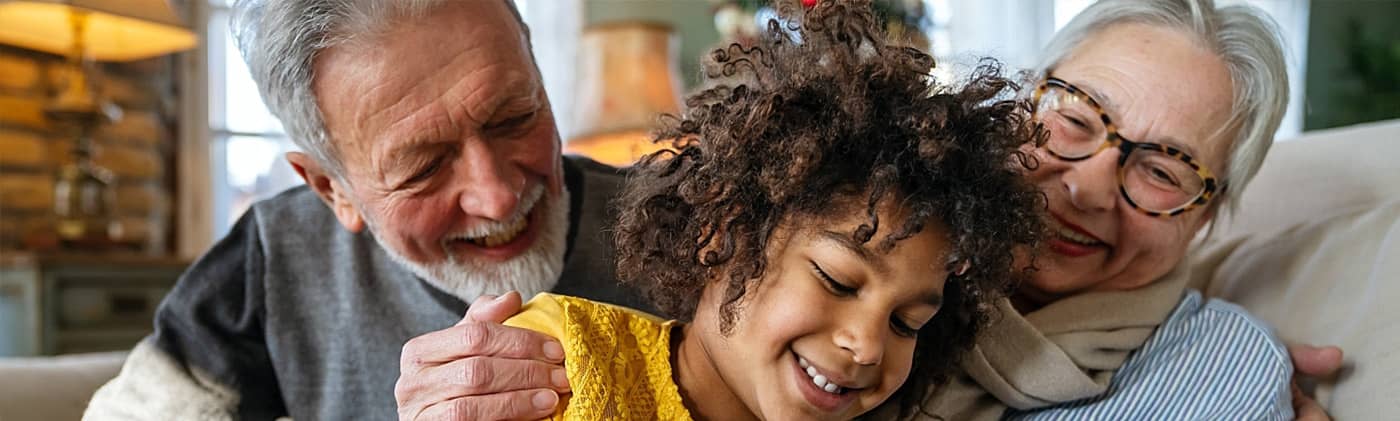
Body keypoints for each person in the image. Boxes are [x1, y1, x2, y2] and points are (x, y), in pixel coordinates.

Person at [432, 0, 1342, 420]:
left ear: (1208, 214)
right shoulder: (742, 271)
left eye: (1165, 169)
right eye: (1077, 120)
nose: (1092, 183)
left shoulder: (1219, 373)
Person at [82, 1, 646, 419]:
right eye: (424, 167)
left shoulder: (681, 219)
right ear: (333, 189)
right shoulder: (276, 256)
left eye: (514, 117)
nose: (496, 194)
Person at [495, 2, 1045, 419]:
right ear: (721, 234)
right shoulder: (557, 360)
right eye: (837, 281)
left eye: (907, 323)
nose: (868, 345)